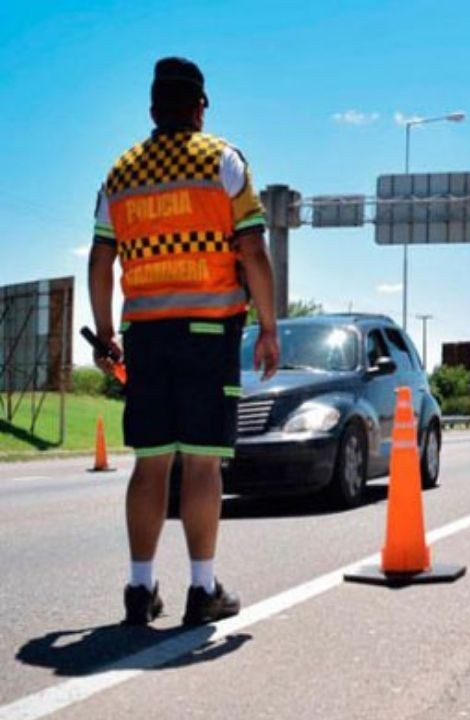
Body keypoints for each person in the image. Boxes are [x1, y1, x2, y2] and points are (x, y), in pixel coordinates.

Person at [88, 57, 280, 625]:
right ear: (200, 107)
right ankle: (203, 589)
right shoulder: (222, 161)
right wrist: (269, 327)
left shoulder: (118, 174)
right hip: (207, 333)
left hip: (145, 337)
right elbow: (252, 250)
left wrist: (104, 335)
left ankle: (139, 590)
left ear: (152, 110)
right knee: (201, 465)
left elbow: (102, 259)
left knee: (150, 465)